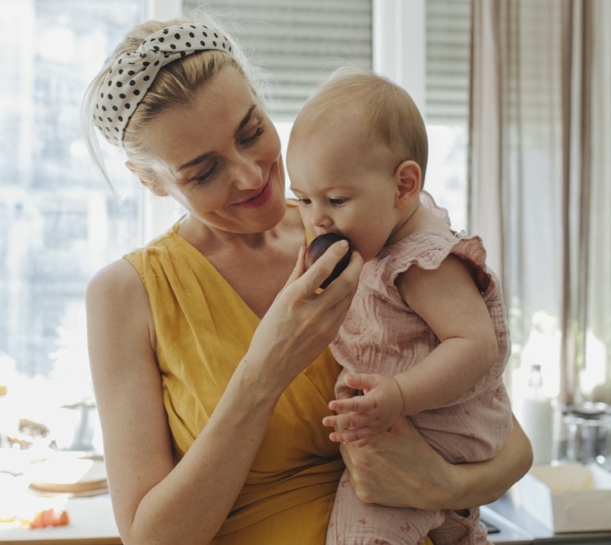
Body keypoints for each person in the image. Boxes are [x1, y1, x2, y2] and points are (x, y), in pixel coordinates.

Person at [83, 18, 532, 545]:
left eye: (252, 132)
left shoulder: (363, 225)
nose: (251, 176)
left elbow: (508, 441)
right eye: (203, 172)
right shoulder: (127, 294)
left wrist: (442, 486)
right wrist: (264, 369)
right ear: (150, 181)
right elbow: (151, 539)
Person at [286, 68, 513, 545]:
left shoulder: (421, 261)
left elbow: (475, 344)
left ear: (404, 187)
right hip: (423, 428)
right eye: (303, 199)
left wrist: (400, 394)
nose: (316, 219)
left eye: (336, 199)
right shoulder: (380, 233)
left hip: (433, 430)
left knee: (362, 521)